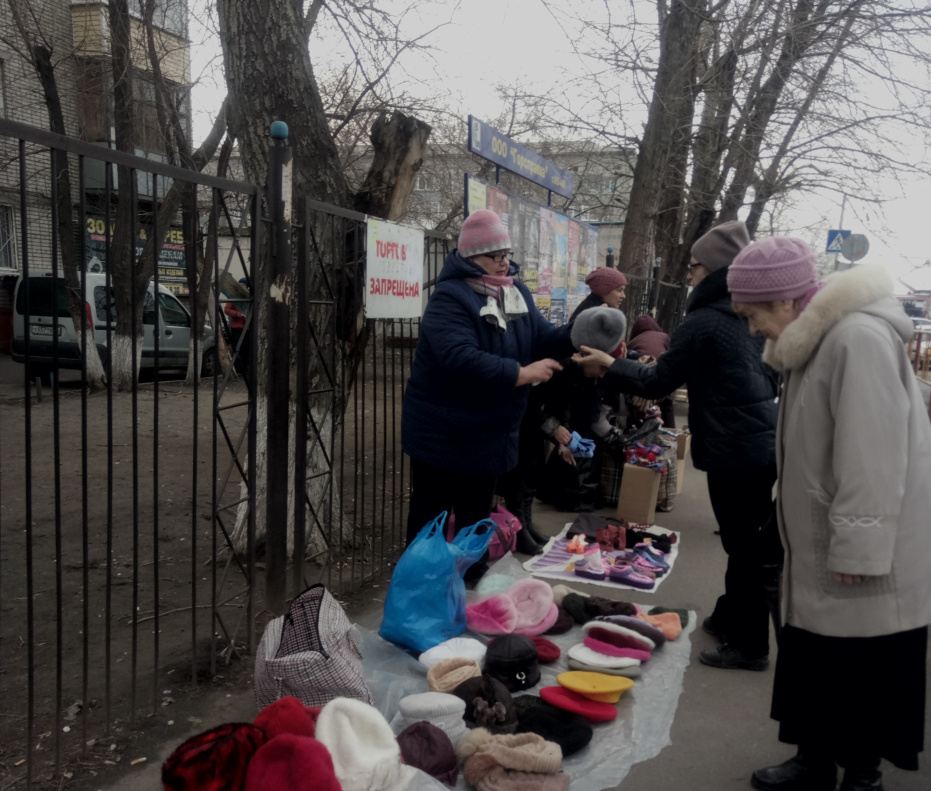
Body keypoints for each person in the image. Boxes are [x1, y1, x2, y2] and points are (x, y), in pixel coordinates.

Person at [726, 238, 931, 791]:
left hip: (860, 541)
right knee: (816, 657)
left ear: (789, 300)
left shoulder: (856, 339)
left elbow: (873, 455)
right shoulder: (818, 339)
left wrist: (860, 544)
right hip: (820, 536)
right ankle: (814, 759)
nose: (751, 329)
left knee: (862, 666)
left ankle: (861, 776)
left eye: (753, 314)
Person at [573, 221, 779, 670]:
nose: (688, 275)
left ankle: (750, 645)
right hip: (763, 445)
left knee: (745, 548)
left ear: (717, 270)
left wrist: (611, 363)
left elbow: (659, 380)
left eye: (694, 266)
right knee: (746, 542)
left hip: (734, 450)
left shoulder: (704, 320)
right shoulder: (749, 316)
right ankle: (731, 618)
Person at [401, 210, 574, 571]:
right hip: (443, 433)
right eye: (494, 255)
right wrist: (521, 373)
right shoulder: (450, 297)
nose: (504, 262)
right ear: (469, 258)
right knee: (430, 520)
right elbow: (459, 358)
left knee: (475, 517)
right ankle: (418, 585)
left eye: (506, 253)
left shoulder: (515, 290)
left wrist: (581, 335)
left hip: (489, 433)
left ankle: (469, 584)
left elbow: (542, 336)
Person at [626, 314, 675, 428]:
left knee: (637, 411)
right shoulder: (664, 336)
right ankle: (672, 434)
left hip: (642, 383)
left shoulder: (633, 342)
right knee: (666, 406)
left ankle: (633, 432)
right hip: (663, 378)